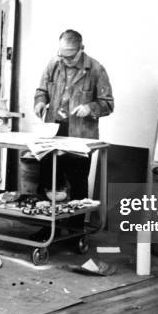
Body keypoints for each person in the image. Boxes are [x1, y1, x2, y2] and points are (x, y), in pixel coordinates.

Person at [33, 29, 114, 235]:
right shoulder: (54, 64)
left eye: (70, 56)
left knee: (77, 184)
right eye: (62, 55)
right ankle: (47, 229)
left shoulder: (96, 69)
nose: (65, 60)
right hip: (53, 131)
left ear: (81, 50)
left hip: (80, 135)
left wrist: (91, 108)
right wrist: (40, 102)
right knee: (47, 181)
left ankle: (75, 231)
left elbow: (108, 104)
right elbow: (41, 91)